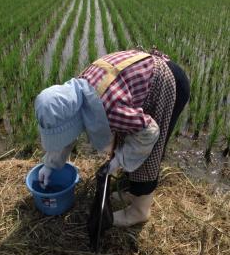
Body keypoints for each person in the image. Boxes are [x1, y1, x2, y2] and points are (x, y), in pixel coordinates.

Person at [34, 49, 190, 227]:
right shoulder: (74, 94)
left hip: (168, 84)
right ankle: (132, 191)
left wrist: (118, 161)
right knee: (127, 138)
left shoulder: (110, 108)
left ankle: (139, 211)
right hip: (142, 81)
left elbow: (149, 132)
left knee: (147, 151)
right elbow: (67, 131)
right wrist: (50, 164)